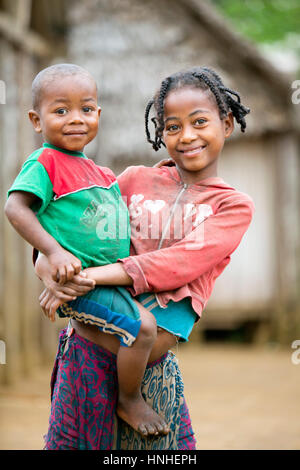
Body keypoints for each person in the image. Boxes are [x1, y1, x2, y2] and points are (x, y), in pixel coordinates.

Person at [36, 66, 255, 450]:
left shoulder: (232, 206)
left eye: (200, 122)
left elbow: (177, 264)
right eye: (172, 127)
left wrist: (90, 278)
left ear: (227, 124)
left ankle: (129, 399)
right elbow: (73, 227)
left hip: (149, 371)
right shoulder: (131, 180)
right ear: (161, 133)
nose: (187, 136)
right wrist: (50, 268)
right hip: (86, 354)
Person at [4, 63, 170, 438]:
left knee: (147, 324)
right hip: (81, 285)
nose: (75, 119)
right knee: (142, 329)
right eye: (60, 110)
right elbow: (15, 207)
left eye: (86, 109)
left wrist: (158, 175)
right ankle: (129, 401)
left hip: (108, 283)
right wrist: (53, 252)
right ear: (36, 119)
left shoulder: (101, 173)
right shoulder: (45, 163)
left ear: (98, 114)